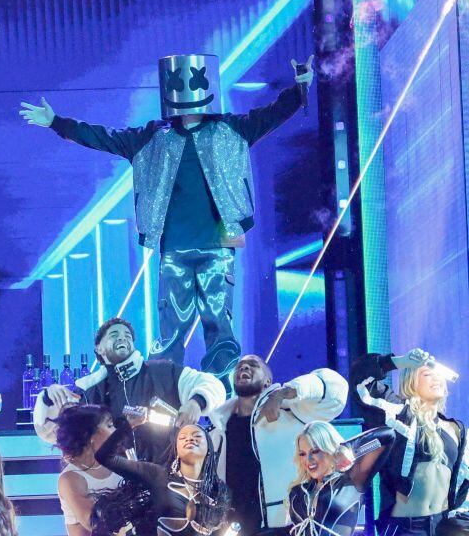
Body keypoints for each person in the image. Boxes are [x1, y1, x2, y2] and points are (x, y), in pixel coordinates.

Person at [20, 55, 314, 389]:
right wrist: (57, 122)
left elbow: (272, 114)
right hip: (174, 247)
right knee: (172, 327)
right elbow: (103, 136)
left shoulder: (230, 129)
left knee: (219, 325)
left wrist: (300, 84)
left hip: (217, 246)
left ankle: (221, 393)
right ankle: (168, 394)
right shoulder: (153, 137)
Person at [34, 318, 225, 463]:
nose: (122, 338)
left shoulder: (163, 372)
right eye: (114, 335)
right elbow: (50, 433)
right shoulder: (89, 391)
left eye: (127, 336)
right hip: (114, 486)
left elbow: (212, 384)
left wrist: (195, 403)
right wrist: (47, 397)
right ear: (99, 349)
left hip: (167, 479)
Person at [207, 355, 349, 536]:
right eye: (240, 366)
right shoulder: (219, 427)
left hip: (285, 524)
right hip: (233, 527)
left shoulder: (291, 409)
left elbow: (336, 388)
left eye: (252, 365)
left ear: (267, 381)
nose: (243, 368)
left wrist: (284, 393)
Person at [352, 349, 469, 536]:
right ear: (411, 381)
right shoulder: (399, 415)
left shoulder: (456, 429)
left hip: (444, 526)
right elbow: (360, 379)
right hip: (407, 527)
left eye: (438, 375)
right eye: (427, 374)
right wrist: (400, 362)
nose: (436, 379)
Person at [93, 421, 231, 536]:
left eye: (197, 436)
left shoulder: (218, 491)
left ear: (209, 448)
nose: (189, 439)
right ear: (176, 450)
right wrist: (128, 425)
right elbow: (104, 457)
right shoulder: (158, 475)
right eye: (182, 437)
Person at [287, 421, 395, 536]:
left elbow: (387, 436)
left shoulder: (350, 482)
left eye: (314, 451)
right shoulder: (298, 491)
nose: (308, 459)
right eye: (302, 454)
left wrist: (347, 449)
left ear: (328, 449)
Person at [52, 405, 124, 536]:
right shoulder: (70, 478)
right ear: (90, 436)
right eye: (109, 426)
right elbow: (94, 522)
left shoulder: (117, 464)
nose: (115, 431)